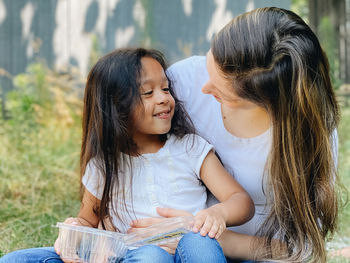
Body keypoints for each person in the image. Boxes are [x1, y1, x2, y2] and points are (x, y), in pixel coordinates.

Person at [0, 48, 255, 263]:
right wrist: (75, 227)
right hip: (125, 255)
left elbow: (240, 200)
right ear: (116, 107)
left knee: (197, 244)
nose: (164, 99)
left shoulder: (189, 148)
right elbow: (88, 221)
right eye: (148, 93)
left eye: (166, 89)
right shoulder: (104, 165)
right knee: (16, 260)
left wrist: (217, 214)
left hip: (186, 250)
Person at [130, 7, 340, 263]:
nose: (205, 88)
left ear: (268, 103)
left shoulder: (310, 132)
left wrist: (200, 235)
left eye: (223, 94)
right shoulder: (183, 81)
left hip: (254, 254)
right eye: (209, 66)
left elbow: (301, 248)